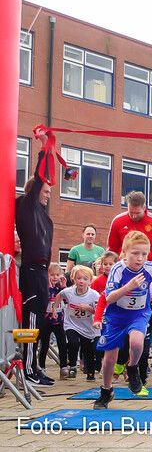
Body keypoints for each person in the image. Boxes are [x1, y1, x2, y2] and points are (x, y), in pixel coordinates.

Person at [92, 231, 152, 410]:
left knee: (137, 343)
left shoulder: (150, 267)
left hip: (138, 314)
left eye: (144, 254)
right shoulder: (117, 269)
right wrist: (128, 287)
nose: (140, 258)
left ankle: (133, 368)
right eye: (135, 253)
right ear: (124, 253)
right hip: (116, 316)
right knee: (110, 358)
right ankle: (106, 390)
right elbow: (109, 298)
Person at [15, 128, 54, 386]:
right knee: (30, 320)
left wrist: (49, 277)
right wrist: (44, 147)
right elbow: (40, 177)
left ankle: (35, 366)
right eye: (46, 191)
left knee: (38, 321)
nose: (48, 194)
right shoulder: (26, 205)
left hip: (41, 272)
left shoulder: (45, 218)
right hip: (29, 270)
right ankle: (27, 370)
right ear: (35, 190)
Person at [52, 265, 100, 381]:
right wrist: (55, 308)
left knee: (88, 349)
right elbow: (59, 295)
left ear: (90, 281)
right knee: (73, 342)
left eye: (85, 279)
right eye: (79, 278)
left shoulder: (94, 295)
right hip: (71, 323)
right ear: (73, 279)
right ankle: (72, 364)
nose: (81, 281)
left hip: (87, 326)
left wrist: (89, 308)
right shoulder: (69, 292)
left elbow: (98, 311)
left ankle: (91, 373)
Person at [108, 191, 152, 262]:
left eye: (137, 213)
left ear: (144, 208)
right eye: (131, 212)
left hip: (149, 265)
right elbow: (112, 249)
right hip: (124, 265)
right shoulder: (118, 221)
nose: (134, 216)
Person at [38, 264, 68, 380]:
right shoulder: (44, 287)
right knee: (44, 344)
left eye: (57, 275)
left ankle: (64, 366)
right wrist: (48, 287)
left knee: (62, 344)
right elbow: (45, 298)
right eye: (52, 275)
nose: (55, 277)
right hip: (46, 321)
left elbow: (66, 299)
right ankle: (41, 366)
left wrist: (64, 287)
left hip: (59, 321)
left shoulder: (60, 288)